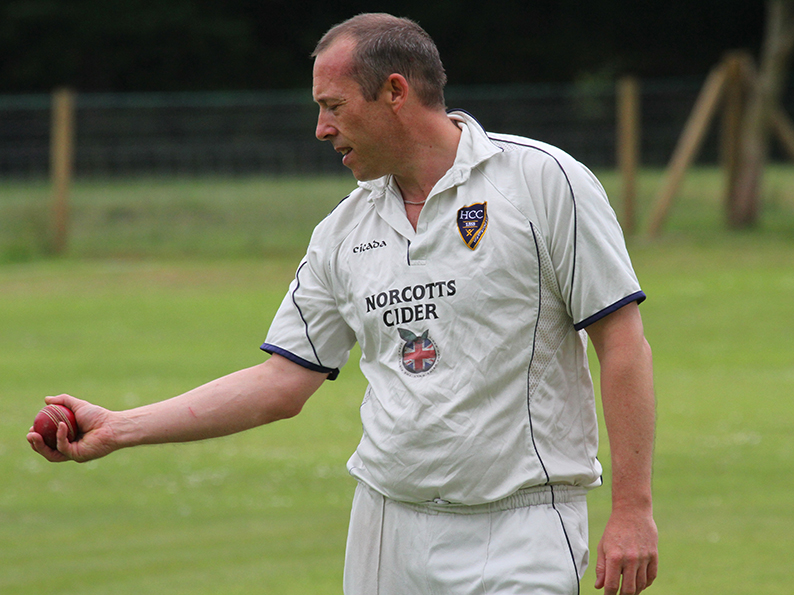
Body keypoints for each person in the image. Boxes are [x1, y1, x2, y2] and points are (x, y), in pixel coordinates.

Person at [28, 12, 658, 595]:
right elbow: (280, 382)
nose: (321, 128)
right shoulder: (342, 231)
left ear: (393, 92)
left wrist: (632, 509)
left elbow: (622, 343)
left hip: (525, 526)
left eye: (333, 106)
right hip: (386, 528)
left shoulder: (545, 181)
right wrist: (119, 427)